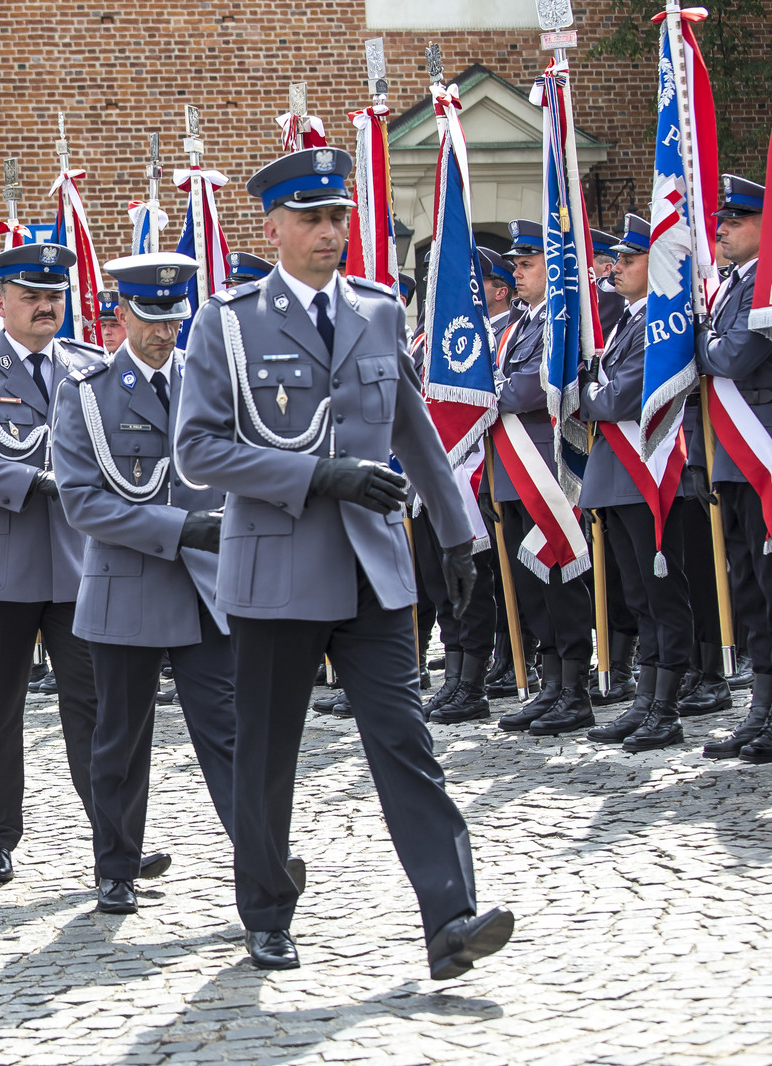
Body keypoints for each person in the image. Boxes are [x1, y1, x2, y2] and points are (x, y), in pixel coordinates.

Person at [174, 145, 511, 976]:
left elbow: (412, 426)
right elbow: (197, 451)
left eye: (338, 218)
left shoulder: (377, 309)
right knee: (267, 754)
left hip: (372, 570)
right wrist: (317, 476)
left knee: (404, 740)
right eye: (313, 219)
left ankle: (450, 918)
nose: (329, 232)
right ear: (273, 228)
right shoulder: (228, 321)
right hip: (276, 571)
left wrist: (456, 531)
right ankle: (265, 910)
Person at [54, 250, 244, 915]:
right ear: (122, 314)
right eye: (151, 319)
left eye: (174, 319)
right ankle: (116, 868)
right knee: (121, 738)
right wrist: (181, 528)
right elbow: (83, 503)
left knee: (229, 733)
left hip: (207, 591)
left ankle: (262, 864)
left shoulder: (211, 382)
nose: (164, 332)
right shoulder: (87, 393)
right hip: (127, 585)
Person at [0, 241, 114, 886]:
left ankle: (115, 841)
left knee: (97, 709)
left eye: (54, 296)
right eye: (30, 296)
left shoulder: (90, 368)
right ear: (0, 302)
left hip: (79, 567)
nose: (44, 307)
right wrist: (29, 480)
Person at [697, 175, 772, 764]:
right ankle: (760, 710)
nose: (722, 229)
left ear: (769, 227)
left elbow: (736, 355)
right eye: (722, 220)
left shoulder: (771, 284)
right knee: (747, 587)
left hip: (767, 452)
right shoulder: (730, 287)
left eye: (736, 220)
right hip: (733, 458)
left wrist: (696, 346)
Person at [577, 214, 696, 752]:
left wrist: (584, 392)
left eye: (630, 259)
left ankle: (665, 706)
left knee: (662, 593)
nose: (616, 267)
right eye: (618, 259)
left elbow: (619, 397)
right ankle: (645, 700)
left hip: (645, 472)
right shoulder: (627, 321)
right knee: (638, 597)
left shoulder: (659, 323)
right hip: (614, 476)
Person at [486, 219, 597, 736]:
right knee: (530, 587)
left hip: (547, 472)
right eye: (515, 265)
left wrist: (491, 391)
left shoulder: (558, 320)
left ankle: (575, 689)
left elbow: (529, 389)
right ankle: (550, 685)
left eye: (527, 264)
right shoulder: (518, 325)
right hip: (513, 471)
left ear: (554, 269)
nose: (517, 273)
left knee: (560, 580)